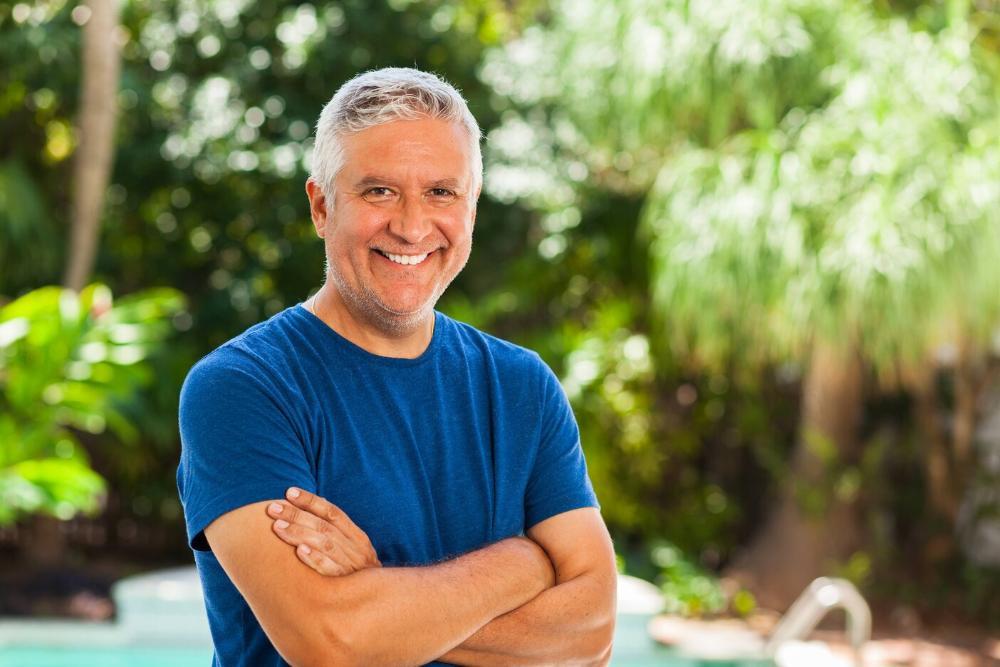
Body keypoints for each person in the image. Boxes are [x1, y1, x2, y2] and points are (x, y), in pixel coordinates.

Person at [176, 67, 616, 667]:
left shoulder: (521, 387)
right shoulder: (244, 388)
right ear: (321, 206)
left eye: (441, 192)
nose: (411, 226)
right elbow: (331, 641)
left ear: (472, 207)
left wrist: (383, 597)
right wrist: (524, 564)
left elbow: (592, 634)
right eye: (379, 191)